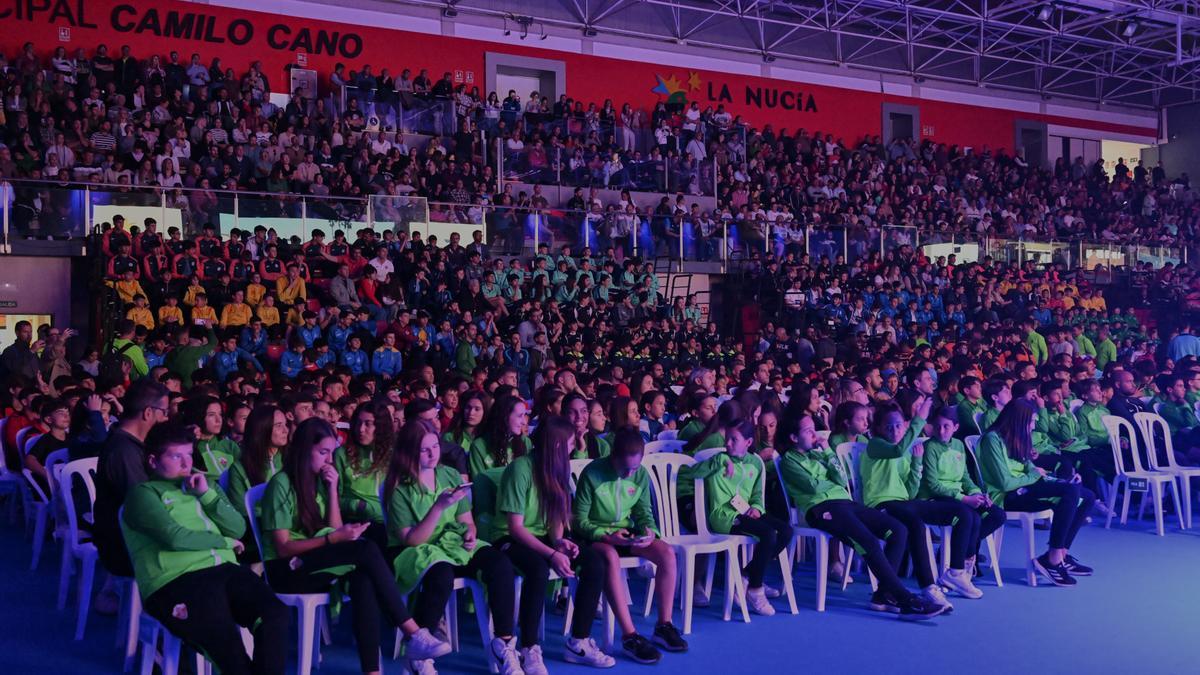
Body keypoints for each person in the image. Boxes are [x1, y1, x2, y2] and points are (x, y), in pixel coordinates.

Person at [259, 418, 451, 674]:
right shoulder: (281, 484)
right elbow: (283, 547)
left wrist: (333, 490)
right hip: (285, 569)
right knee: (365, 550)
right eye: (323, 452)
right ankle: (413, 633)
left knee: (364, 579)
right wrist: (333, 539)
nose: (329, 460)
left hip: (314, 560)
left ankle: (372, 670)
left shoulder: (319, 480)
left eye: (331, 453)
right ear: (304, 450)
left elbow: (335, 527)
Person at [120, 423, 288, 675]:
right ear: (153, 461)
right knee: (231, 655)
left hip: (223, 570)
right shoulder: (143, 494)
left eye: (189, 454)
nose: (186, 463)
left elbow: (237, 527)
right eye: (176, 456)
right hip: (175, 582)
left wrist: (206, 495)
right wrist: (223, 543)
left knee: (275, 615)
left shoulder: (200, 484)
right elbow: (174, 537)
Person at [384, 420, 524, 675]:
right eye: (424, 449)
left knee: (499, 564)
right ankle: (418, 655)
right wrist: (438, 507)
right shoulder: (399, 488)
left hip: (452, 541)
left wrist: (470, 534)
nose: (432, 453)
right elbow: (412, 539)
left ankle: (503, 644)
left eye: (435, 446)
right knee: (441, 574)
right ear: (408, 452)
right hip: (415, 549)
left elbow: (466, 521)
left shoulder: (448, 474)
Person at [778, 410, 943, 619]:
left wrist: (828, 452)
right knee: (869, 543)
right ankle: (906, 599)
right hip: (822, 509)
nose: (814, 434)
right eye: (808, 430)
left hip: (844, 503)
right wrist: (830, 477)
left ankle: (883, 594)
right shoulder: (789, 461)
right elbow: (813, 487)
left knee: (898, 530)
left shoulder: (819, 453)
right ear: (793, 437)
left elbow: (841, 477)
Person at [492, 416, 615, 670]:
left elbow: (557, 515)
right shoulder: (520, 470)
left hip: (542, 535)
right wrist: (550, 554)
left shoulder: (558, 468)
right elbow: (515, 528)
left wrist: (559, 541)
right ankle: (528, 648)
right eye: (570, 444)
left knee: (593, 562)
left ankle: (578, 642)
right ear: (557, 446)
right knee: (537, 569)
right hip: (508, 537)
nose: (573, 448)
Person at [573, 427, 688, 664]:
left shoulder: (641, 474)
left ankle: (663, 625)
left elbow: (644, 513)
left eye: (634, 468)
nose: (629, 474)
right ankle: (629, 635)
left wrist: (649, 532)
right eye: (625, 468)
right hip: (595, 535)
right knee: (610, 558)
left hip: (625, 533)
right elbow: (579, 522)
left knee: (666, 552)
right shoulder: (591, 474)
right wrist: (606, 535)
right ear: (613, 457)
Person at [860, 399, 976, 607]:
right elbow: (895, 451)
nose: (895, 431)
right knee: (915, 524)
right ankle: (929, 587)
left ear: (904, 426)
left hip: (904, 503)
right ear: (878, 428)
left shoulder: (904, 453)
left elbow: (911, 491)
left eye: (898, 426)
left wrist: (916, 463)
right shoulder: (875, 445)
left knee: (962, 513)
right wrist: (920, 419)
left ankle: (956, 572)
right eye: (889, 426)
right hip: (880, 504)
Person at [978, 400, 1096, 587]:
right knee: (1069, 493)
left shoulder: (1018, 437)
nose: (1033, 426)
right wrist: (1034, 475)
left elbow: (1032, 470)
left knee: (1087, 496)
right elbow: (1005, 482)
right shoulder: (992, 439)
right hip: (1006, 496)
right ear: (1018, 420)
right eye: (1031, 421)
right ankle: (1052, 560)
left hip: (1025, 487)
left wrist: (1058, 481)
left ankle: (1061, 554)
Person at [690, 419, 791, 614]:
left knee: (786, 531)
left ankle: (745, 575)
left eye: (733, 440)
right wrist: (720, 461)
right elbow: (692, 473)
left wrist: (756, 508)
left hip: (746, 512)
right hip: (723, 516)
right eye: (727, 439)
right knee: (768, 534)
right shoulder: (718, 460)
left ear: (748, 442)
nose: (727, 444)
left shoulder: (755, 463)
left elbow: (757, 496)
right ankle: (755, 589)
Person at [94, 379, 171, 580]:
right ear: (148, 413)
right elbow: (145, 506)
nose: (166, 418)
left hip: (132, 534)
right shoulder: (123, 452)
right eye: (164, 412)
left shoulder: (132, 443)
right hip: (124, 546)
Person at [919, 406, 1005, 581]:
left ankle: (959, 549)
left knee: (997, 514)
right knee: (969, 515)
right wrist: (965, 499)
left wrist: (977, 494)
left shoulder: (958, 445)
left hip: (958, 495)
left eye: (946, 426)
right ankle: (962, 566)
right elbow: (933, 484)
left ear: (955, 427)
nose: (941, 431)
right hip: (935, 497)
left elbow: (965, 477)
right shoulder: (930, 447)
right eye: (937, 426)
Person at [226, 404, 289, 560]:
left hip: (295, 530)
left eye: (285, 425)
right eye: (279, 426)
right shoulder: (239, 469)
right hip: (261, 534)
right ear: (262, 429)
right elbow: (243, 514)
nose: (286, 430)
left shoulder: (292, 459)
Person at [468, 395, 532, 539]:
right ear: (504, 416)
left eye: (525, 416)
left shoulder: (525, 442)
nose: (523, 422)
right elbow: (480, 485)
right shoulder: (479, 446)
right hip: (491, 509)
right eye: (520, 416)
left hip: (520, 509)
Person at [334, 402, 393, 550]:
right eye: (358, 423)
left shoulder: (393, 455)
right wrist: (358, 506)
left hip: (390, 521)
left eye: (368, 424)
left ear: (380, 427)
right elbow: (333, 499)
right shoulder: (341, 454)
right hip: (354, 521)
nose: (361, 429)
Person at [180, 395, 241, 479]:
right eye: (211, 415)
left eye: (220, 414)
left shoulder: (229, 445)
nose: (218, 420)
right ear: (198, 416)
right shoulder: (188, 447)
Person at [564, 393, 610, 459]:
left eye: (584, 411)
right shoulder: (557, 444)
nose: (579, 416)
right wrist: (581, 450)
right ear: (563, 414)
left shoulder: (602, 445)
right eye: (572, 412)